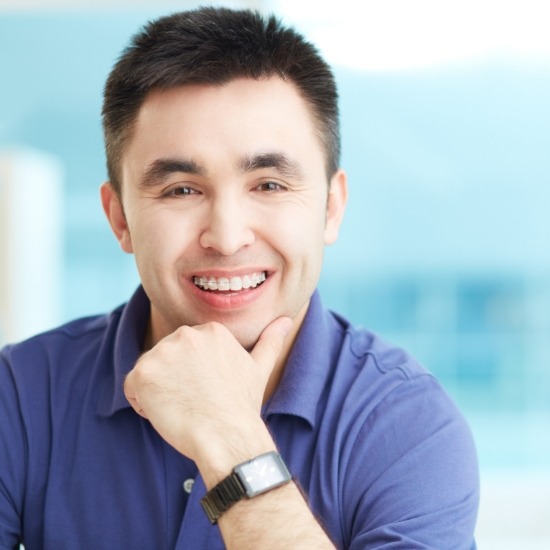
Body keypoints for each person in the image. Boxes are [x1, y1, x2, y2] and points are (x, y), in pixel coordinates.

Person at [0, 7, 479, 549]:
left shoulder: (409, 428)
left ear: (331, 208)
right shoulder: (18, 395)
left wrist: (232, 441)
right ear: (120, 218)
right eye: (181, 189)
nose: (226, 238)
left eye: (270, 185)